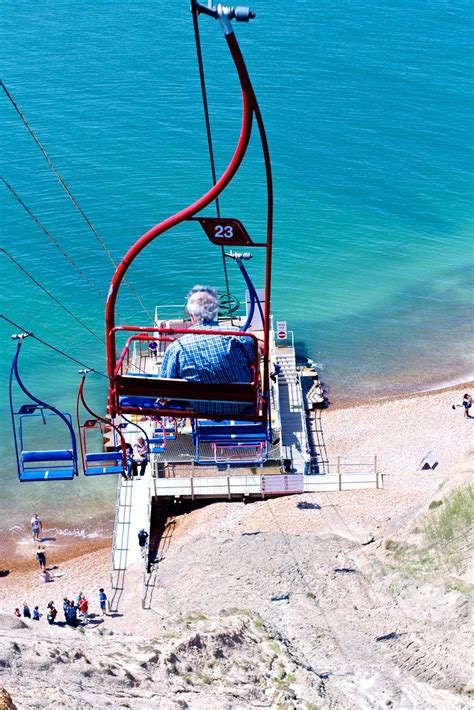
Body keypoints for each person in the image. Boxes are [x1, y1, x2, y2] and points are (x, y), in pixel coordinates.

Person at [159, 285, 256, 415]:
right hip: (240, 404)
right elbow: (253, 358)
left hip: (201, 407)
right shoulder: (238, 337)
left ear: (191, 315)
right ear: (216, 312)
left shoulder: (177, 348)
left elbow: (165, 387)